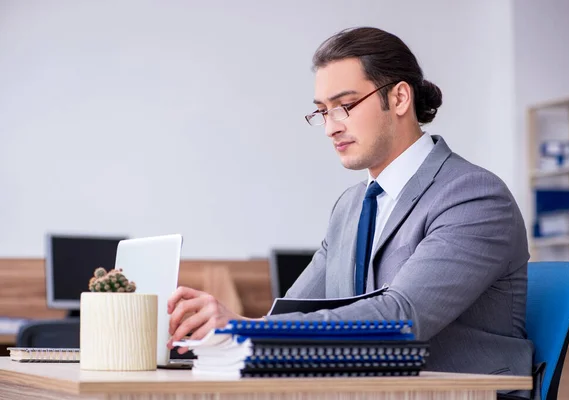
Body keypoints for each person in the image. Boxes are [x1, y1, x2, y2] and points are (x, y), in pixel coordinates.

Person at [167, 27, 534, 397]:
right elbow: (293, 314)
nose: (330, 127)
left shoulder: (473, 196)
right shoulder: (351, 205)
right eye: (322, 111)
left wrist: (244, 328)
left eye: (345, 105)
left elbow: (400, 317)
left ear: (400, 97)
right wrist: (222, 331)